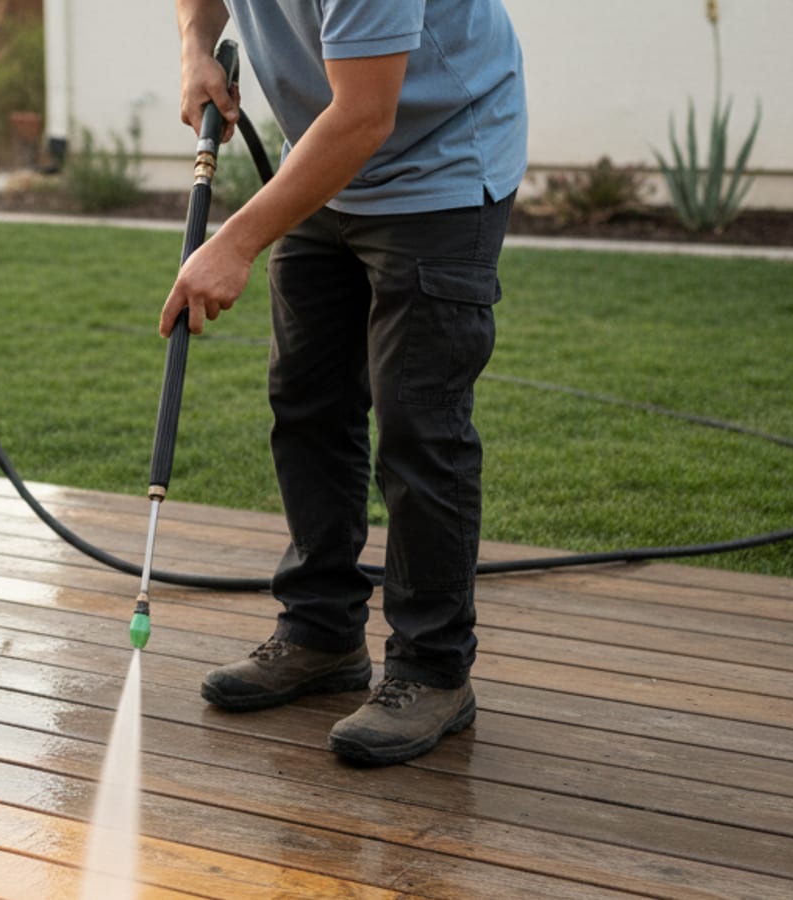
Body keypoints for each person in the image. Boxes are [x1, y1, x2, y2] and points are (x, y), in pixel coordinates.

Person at [163, 0, 527, 766]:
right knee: (308, 401)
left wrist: (235, 243)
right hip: (323, 163)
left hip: (436, 166)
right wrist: (199, 45)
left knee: (418, 424)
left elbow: (366, 116)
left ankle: (432, 670)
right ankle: (321, 630)